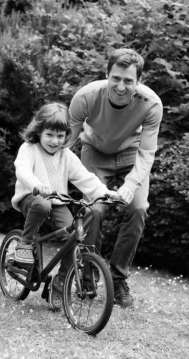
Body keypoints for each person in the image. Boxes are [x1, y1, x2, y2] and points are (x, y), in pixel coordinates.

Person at [68, 48, 163, 308]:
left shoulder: (151, 104)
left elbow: (147, 152)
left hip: (132, 155)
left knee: (138, 207)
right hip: (95, 152)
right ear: (107, 75)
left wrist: (131, 184)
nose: (121, 86)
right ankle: (87, 276)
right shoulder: (86, 97)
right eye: (116, 78)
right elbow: (66, 143)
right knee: (95, 210)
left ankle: (118, 278)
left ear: (138, 81)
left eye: (128, 81)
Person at [11, 102, 119, 310]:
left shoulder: (66, 156)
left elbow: (85, 178)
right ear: (39, 130)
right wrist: (37, 185)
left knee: (73, 238)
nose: (55, 141)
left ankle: (59, 284)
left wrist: (105, 193)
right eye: (50, 134)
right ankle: (25, 243)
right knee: (42, 205)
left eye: (60, 136)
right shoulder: (29, 149)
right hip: (32, 199)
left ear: (67, 136)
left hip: (58, 202)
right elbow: (22, 170)